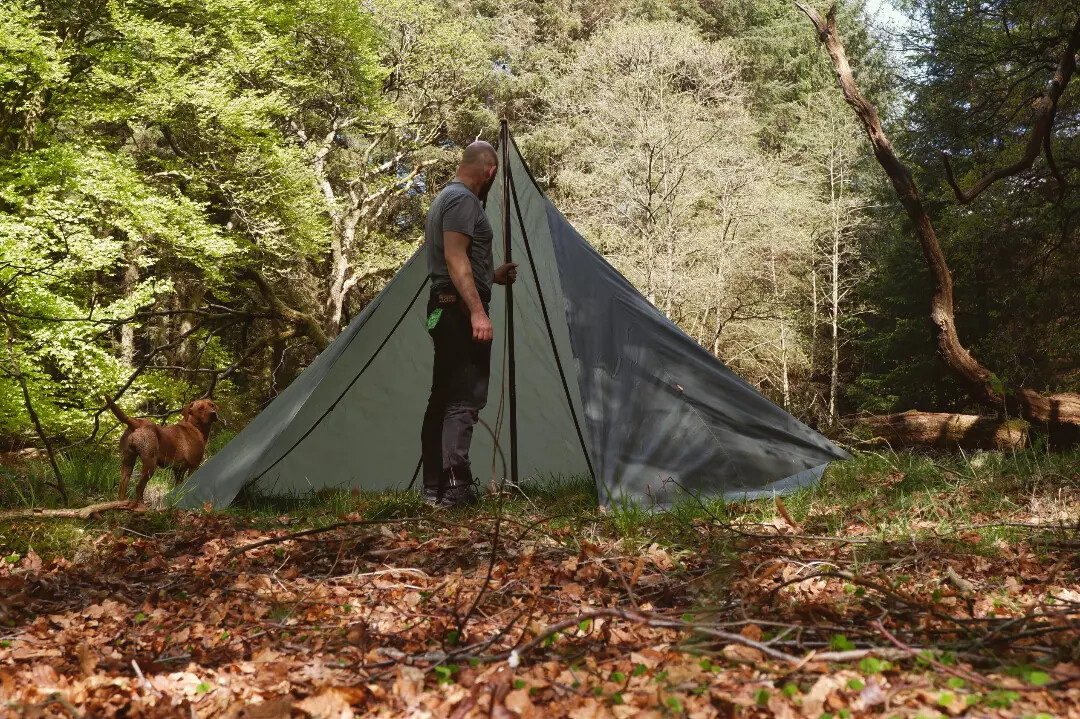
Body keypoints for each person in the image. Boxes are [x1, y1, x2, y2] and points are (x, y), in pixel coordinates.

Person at [421, 141, 517, 507]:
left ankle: (434, 490)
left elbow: (455, 262)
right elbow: (455, 256)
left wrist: (489, 276)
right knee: (463, 400)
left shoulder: (444, 198)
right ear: (490, 171)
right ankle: (456, 491)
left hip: (443, 308)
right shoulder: (463, 201)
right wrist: (478, 311)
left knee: (442, 399)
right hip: (458, 311)